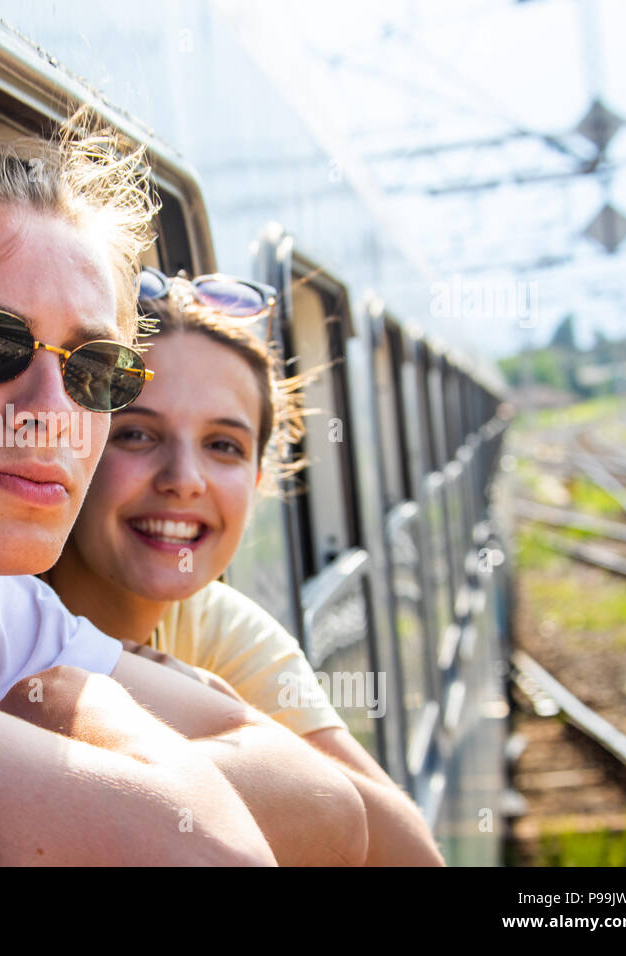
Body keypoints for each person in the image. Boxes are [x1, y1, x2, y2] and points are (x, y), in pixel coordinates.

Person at [0, 109, 371, 865]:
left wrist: (70, 711)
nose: (52, 415)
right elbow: (209, 857)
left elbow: (332, 811)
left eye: (93, 370)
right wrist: (78, 700)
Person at [41, 271, 446, 865]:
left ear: (258, 480)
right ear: (80, 445)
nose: (184, 479)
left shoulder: (221, 629)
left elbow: (410, 855)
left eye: (223, 445)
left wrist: (227, 714)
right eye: (136, 434)